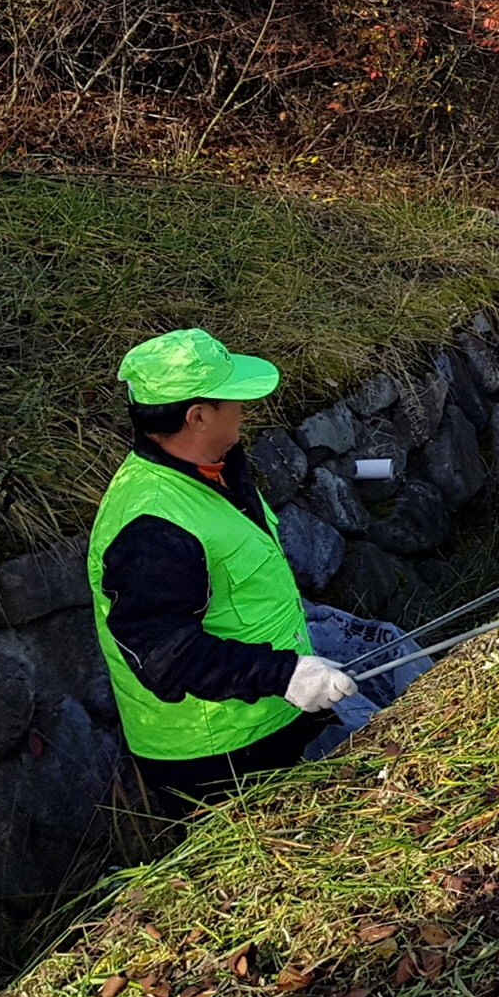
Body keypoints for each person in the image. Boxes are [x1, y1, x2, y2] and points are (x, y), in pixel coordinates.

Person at [89, 328, 363, 808]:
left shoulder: (212, 468)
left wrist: (290, 675)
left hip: (274, 708)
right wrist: (284, 675)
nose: (242, 408)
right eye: (231, 399)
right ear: (197, 416)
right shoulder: (151, 525)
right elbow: (165, 653)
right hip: (219, 754)